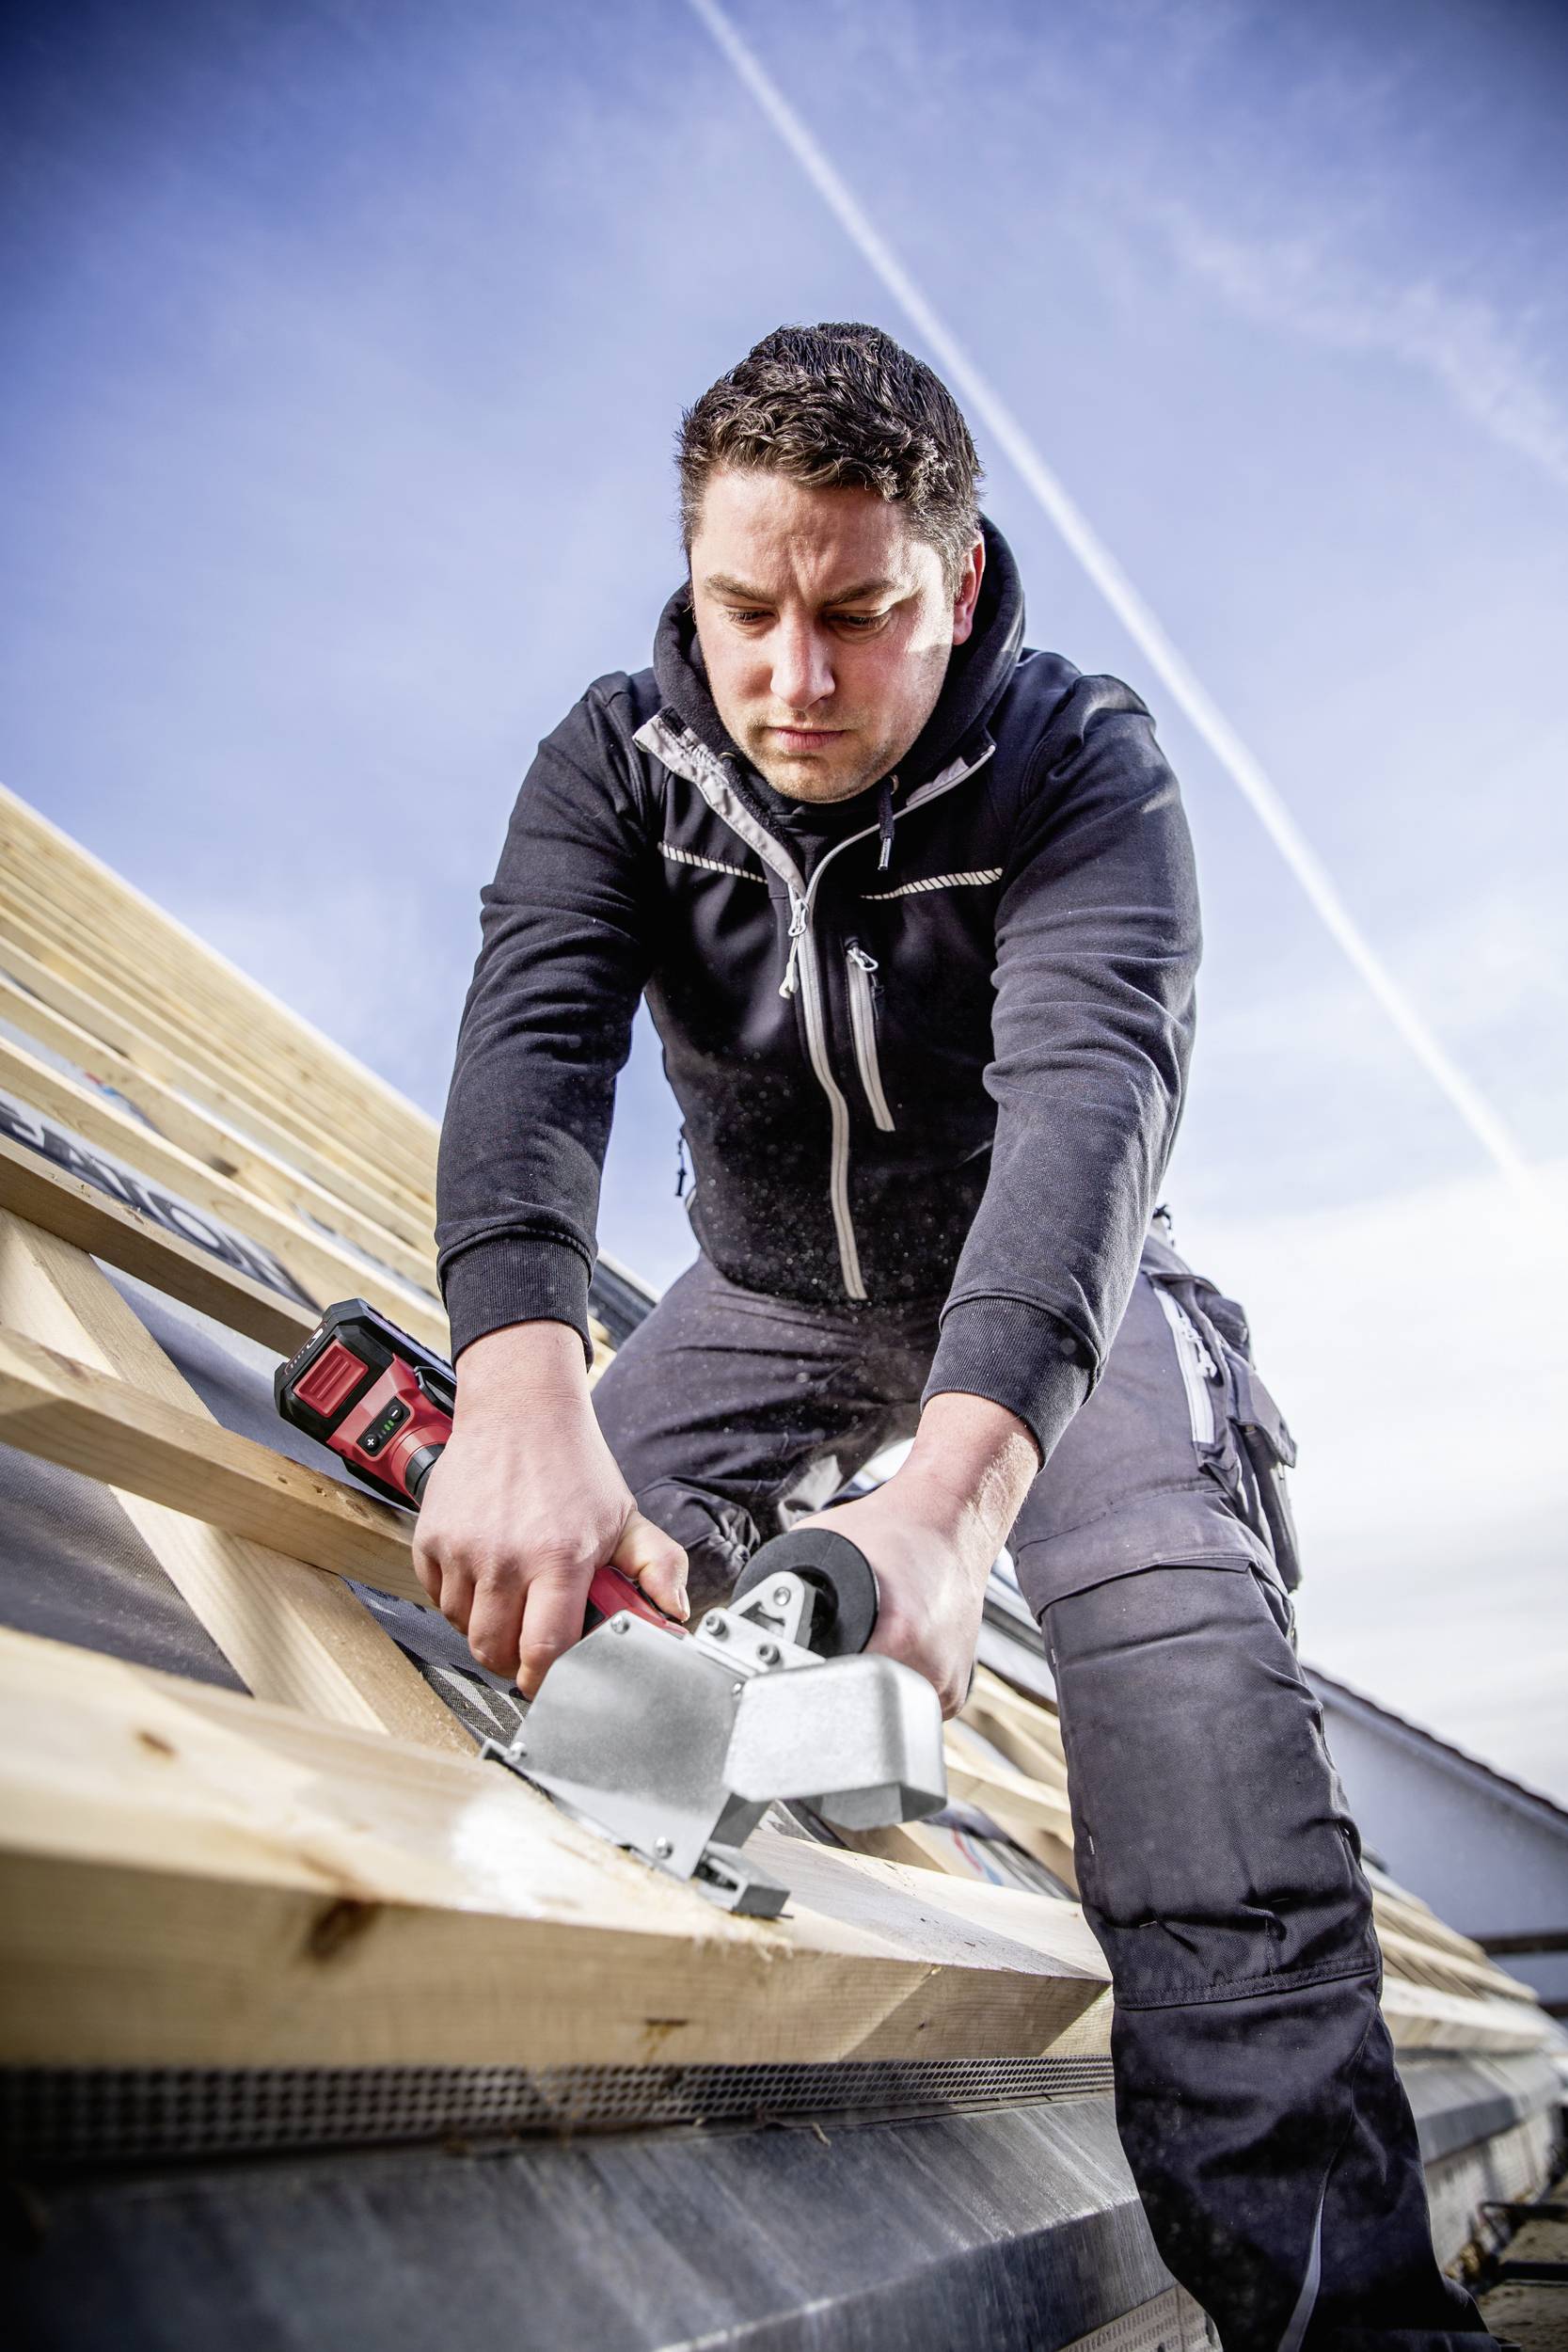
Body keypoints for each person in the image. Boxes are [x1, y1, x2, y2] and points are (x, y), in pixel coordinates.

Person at [420, 323, 1494, 2348]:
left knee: (1201, 1740)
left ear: (961, 582)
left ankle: (1352, 2324)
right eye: (745, 610)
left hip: (1060, 1303)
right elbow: (536, 1039)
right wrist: (519, 1381)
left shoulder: (1086, 765)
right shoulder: (613, 766)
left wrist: (952, 1497)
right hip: (758, 1297)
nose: (793, 680)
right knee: (519, 1587)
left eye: (857, 613)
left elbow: (1089, 1103)